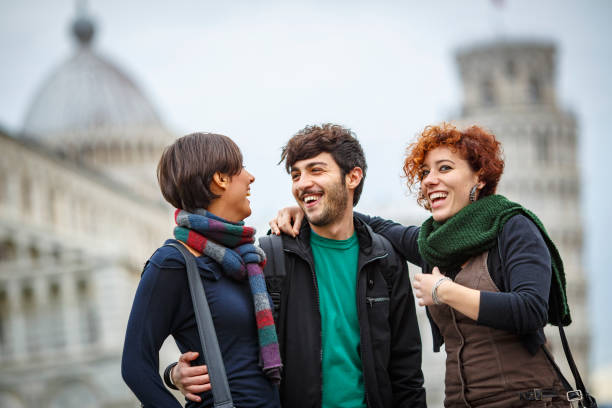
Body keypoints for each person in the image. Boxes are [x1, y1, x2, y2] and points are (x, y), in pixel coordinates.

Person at [271, 123, 573, 407]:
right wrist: (308, 204)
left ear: (480, 176)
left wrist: (445, 291)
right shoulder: (432, 243)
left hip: (528, 399)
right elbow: (363, 221)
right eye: (425, 172)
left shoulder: (513, 227)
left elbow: (531, 309)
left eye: (445, 168)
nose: (430, 179)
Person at [165, 124, 427, 407]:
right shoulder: (268, 256)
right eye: (296, 174)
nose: (302, 183)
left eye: (316, 170)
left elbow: (406, 372)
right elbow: (229, 342)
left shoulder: (385, 259)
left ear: (352, 177)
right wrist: (173, 374)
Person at [121, 132, 282, 408]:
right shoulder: (172, 263)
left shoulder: (248, 260)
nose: (250, 177)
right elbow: (135, 365)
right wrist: (172, 378)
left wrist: (173, 373)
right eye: (241, 167)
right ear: (220, 179)